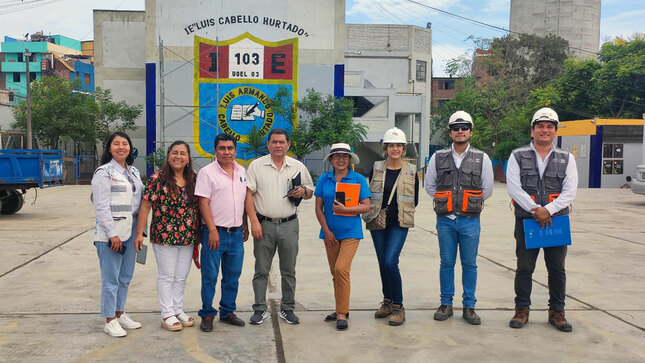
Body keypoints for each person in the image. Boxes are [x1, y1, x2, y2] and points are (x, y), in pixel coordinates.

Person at [506, 107, 577, 333]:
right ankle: (521, 310)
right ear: (532, 130)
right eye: (540, 126)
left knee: (557, 269)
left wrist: (549, 209)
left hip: (556, 222)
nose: (544, 131)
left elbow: (570, 191)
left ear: (555, 131)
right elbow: (514, 187)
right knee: (524, 267)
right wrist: (536, 210)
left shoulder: (567, 158)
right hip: (528, 221)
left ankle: (557, 312)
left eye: (549, 127)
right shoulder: (517, 156)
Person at [424, 111, 494, 325]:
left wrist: (468, 203)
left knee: (469, 264)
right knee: (446, 263)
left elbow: (487, 188)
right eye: (456, 128)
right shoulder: (438, 157)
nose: (460, 131)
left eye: (464, 127)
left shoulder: (482, 158)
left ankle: (469, 306)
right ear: (450, 132)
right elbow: (430, 186)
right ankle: (446, 304)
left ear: (471, 131)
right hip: (445, 219)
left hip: (470, 220)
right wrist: (446, 203)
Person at [245, 128, 314, 325]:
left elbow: (310, 191)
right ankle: (259, 308)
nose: (278, 145)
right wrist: (254, 223)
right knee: (261, 269)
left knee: (288, 269)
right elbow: (248, 195)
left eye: (281, 142)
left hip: (289, 224)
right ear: (268, 144)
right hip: (264, 224)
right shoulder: (256, 166)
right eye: (274, 142)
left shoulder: (297, 166)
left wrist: (302, 191)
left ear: (288, 144)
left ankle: (288, 308)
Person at [134, 141, 200, 331]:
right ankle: (167, 313)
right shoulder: (158, 178)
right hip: (165, 236)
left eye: (183, 153)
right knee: (167, 276)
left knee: (181, 276)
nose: (178, 156)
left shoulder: (194, 178)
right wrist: (140, 233)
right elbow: (145, 206)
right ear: (169, 155)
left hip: (188, 236)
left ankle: (177, 309)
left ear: (188, 158)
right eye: (175, 153)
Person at [364, 128, 419, 326]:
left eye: (399, 145)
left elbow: (415, 200)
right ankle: (387, 301)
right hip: (378, 221)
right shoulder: (376, 167)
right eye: (391, 145)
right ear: (386, 148)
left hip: (398, 223)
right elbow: (369, 193)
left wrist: (400, 212)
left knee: (390, 262)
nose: (395, 149)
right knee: (382, 263)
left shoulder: (411, 171)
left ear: (404, 149)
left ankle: (398, 306)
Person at [91, 131, 144, 337]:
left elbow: (138, 204)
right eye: (116, 144)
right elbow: (101, 206)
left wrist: (140, 231)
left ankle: (120, 313)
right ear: (109, 148)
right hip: (110, 234)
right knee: (110, 279)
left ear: (130, 147)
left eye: (125, 143)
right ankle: (109, 319)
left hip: (130, 231)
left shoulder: (133, 172)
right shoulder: (103, 173)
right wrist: (112, 234)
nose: (121, 147)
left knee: (125, 277)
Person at [195, 133, 249, 332]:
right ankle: (207, 313)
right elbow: (203, 202)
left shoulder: (242, 171)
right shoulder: (207, 173)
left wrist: (245, 224)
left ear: (235, 150)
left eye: (230, 148)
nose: (226, 152)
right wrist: (211, 230)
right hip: (214, 233)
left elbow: (243, 200)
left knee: (232, 275)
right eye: (222, 148)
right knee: (210, 275)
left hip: (235, 235)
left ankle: (227, 311)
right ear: (215, 150)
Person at [315, 143, 371, 331]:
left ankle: (341, 314)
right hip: (330, 233)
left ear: (349, 160)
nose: (341, 160)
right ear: (331, 159)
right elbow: (318, 208)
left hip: (350, 232)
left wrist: (346, 209)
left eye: (344, 156)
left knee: (341, 269)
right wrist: (327, 231)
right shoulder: (324, 179)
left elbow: (366, 206)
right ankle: (342, 309)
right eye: (337, 156)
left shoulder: (358, 179)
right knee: (335, 273)